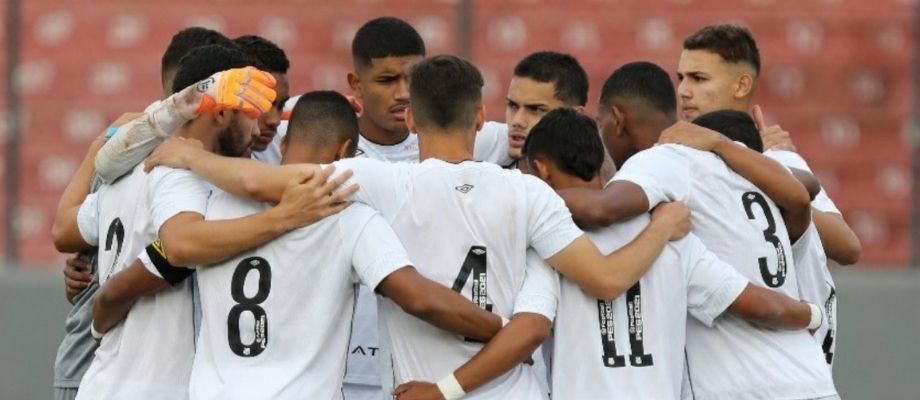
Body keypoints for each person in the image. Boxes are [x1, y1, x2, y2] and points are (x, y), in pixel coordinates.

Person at [143, 54, 691, 399]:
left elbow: (266, 182)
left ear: (409, 119)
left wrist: (191, 156)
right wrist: (662, 227)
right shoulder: (528, 193)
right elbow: (605, 279)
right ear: (481, 118)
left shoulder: (380, 183)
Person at [394, 108, 823, 400]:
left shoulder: (547, 248)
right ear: (600, 164)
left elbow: (528, 330)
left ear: (540, 169)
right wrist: (813, 315)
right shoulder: (675, 235)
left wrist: (443, 390)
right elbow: (759, 304)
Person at [189, 90, 513, 399]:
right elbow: (418, 298)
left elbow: (171, 253)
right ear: (344, 154)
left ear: (284, 144)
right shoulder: (350, 218)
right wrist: (504, 332)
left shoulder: (216, 204)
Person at [53, 44, 326, 400]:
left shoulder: (126, 173)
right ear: (222, 112)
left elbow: (70, 232)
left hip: (106, 380)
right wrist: (282, 218)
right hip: (157, 387)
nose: (261, 125)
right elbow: (179, 247)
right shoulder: (184, 178)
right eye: (253, 113)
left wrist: (101, 314)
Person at [561, 61, 837, 399]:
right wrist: (812, 314)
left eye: (601, 123)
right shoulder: (743, 162)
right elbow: (806, 188)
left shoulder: (663, 160)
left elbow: (601, 209)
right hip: (809, 375)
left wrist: (523, 193)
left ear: (617, 120)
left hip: (745, 385)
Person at [48, 26, 236, 400]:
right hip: (95, 357)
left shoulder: (196, 156)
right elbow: (65, 231)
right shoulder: (134, 148)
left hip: (125, 366)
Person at [676, 24, 860, 364]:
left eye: (698, 79)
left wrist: (766, 180)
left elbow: (848, 247)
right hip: (732, 361)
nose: (684, 91)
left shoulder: (777, 159)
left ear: (741, 85)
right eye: (681, 78)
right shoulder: (679, 158)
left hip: (793, 357)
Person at [234, 34, 291, 165]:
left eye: (281, 106)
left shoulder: (288, 139)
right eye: (261, 103)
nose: (275, 121)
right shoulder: (188, 165)